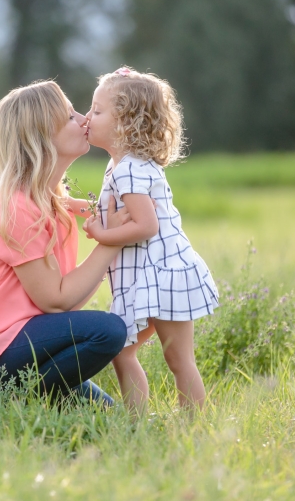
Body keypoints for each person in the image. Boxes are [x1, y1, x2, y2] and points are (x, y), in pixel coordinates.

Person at [0, 80, 132, 405]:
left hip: (14, 340)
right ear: (41, 137)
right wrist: (112, 241)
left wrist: (113, 225)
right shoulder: (14, 206)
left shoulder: (50, 201)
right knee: (108, 331)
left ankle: (19, 401)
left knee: (107, 415)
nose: (84, 119)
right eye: (70, 117)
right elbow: (56, 301)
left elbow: (65, 303)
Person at [83, 67, 220, 415]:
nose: (87, 117)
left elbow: (146, 225)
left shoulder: (129, 169)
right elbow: (119, 211)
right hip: (149, 277)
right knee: (123, 351)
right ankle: (136, 422)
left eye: (97, 111)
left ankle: (193, 423)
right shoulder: (122, 166)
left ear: (125, 124)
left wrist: (101, 235)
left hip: (162, 275)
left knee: (178, 358)